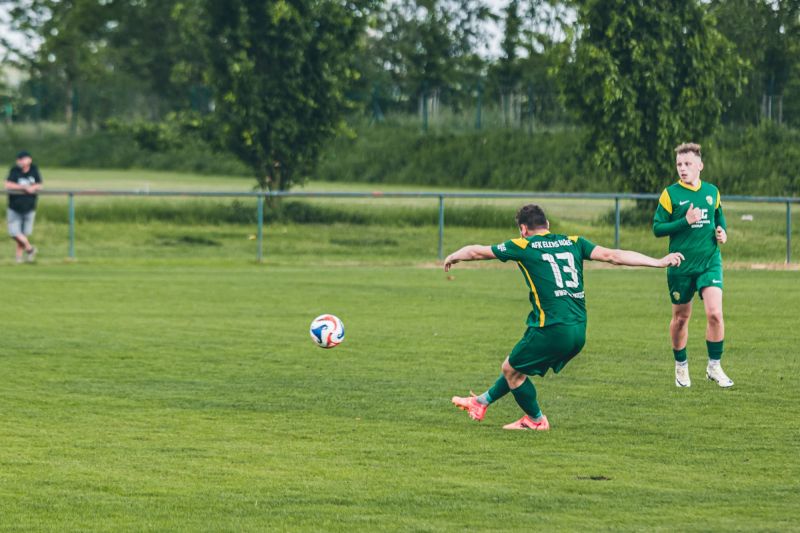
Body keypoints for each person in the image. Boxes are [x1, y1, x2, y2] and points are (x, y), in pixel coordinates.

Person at [447, 204, 684, 430]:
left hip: (551, 327)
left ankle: (536, 420)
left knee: (510, 370)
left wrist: (453, 256)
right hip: (578, 330)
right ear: (547, 224)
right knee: (517, 367)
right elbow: (614, 255)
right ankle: (481, 402)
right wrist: (658, 261)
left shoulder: (522, 245)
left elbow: (476, 251)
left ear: (523, 229)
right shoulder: (574, 242)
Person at [653, 143, 732, 388]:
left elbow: (718, 216)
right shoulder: (670, 194)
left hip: (709, 261)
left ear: (700, 166)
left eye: (687, 164)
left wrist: (723, 232)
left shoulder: (712, 191)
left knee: (715, 314)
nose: (682, 169)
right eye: (679, 164)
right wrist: (684, 221)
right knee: (680, 318)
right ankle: (681, 366)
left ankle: (714, 366)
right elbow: (658, 228)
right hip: (681, 265)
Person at [6, 150, 42, 263]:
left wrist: (33, 188)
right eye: (19, 159)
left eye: (22, 159)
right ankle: (30, 249)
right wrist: (24, 187)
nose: (20, 161)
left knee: (24, 234)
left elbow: (40, 184)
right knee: (14, 232)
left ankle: (19, 258)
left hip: (29, 207)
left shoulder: (34, 170)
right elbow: (8, 184)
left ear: (29, 160)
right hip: (14, 207)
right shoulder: (14, 170)